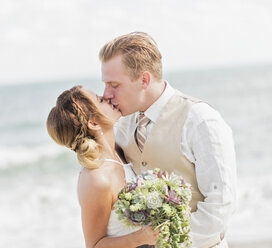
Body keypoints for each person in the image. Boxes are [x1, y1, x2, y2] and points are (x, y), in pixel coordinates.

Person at [99, 32, 237, 248]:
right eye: (105, 85)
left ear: (144, 79)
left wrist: (169, 241)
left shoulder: (200, 120)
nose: (106, 94)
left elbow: (220, 206)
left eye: (114, 85)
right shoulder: (123, 124)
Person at [47, 85, 160, 248]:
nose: (107, 97)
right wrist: (141, 237)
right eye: (100, 100)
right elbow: (94, 245)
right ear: (93, 123)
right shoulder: (96, 178)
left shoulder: (120, 150)